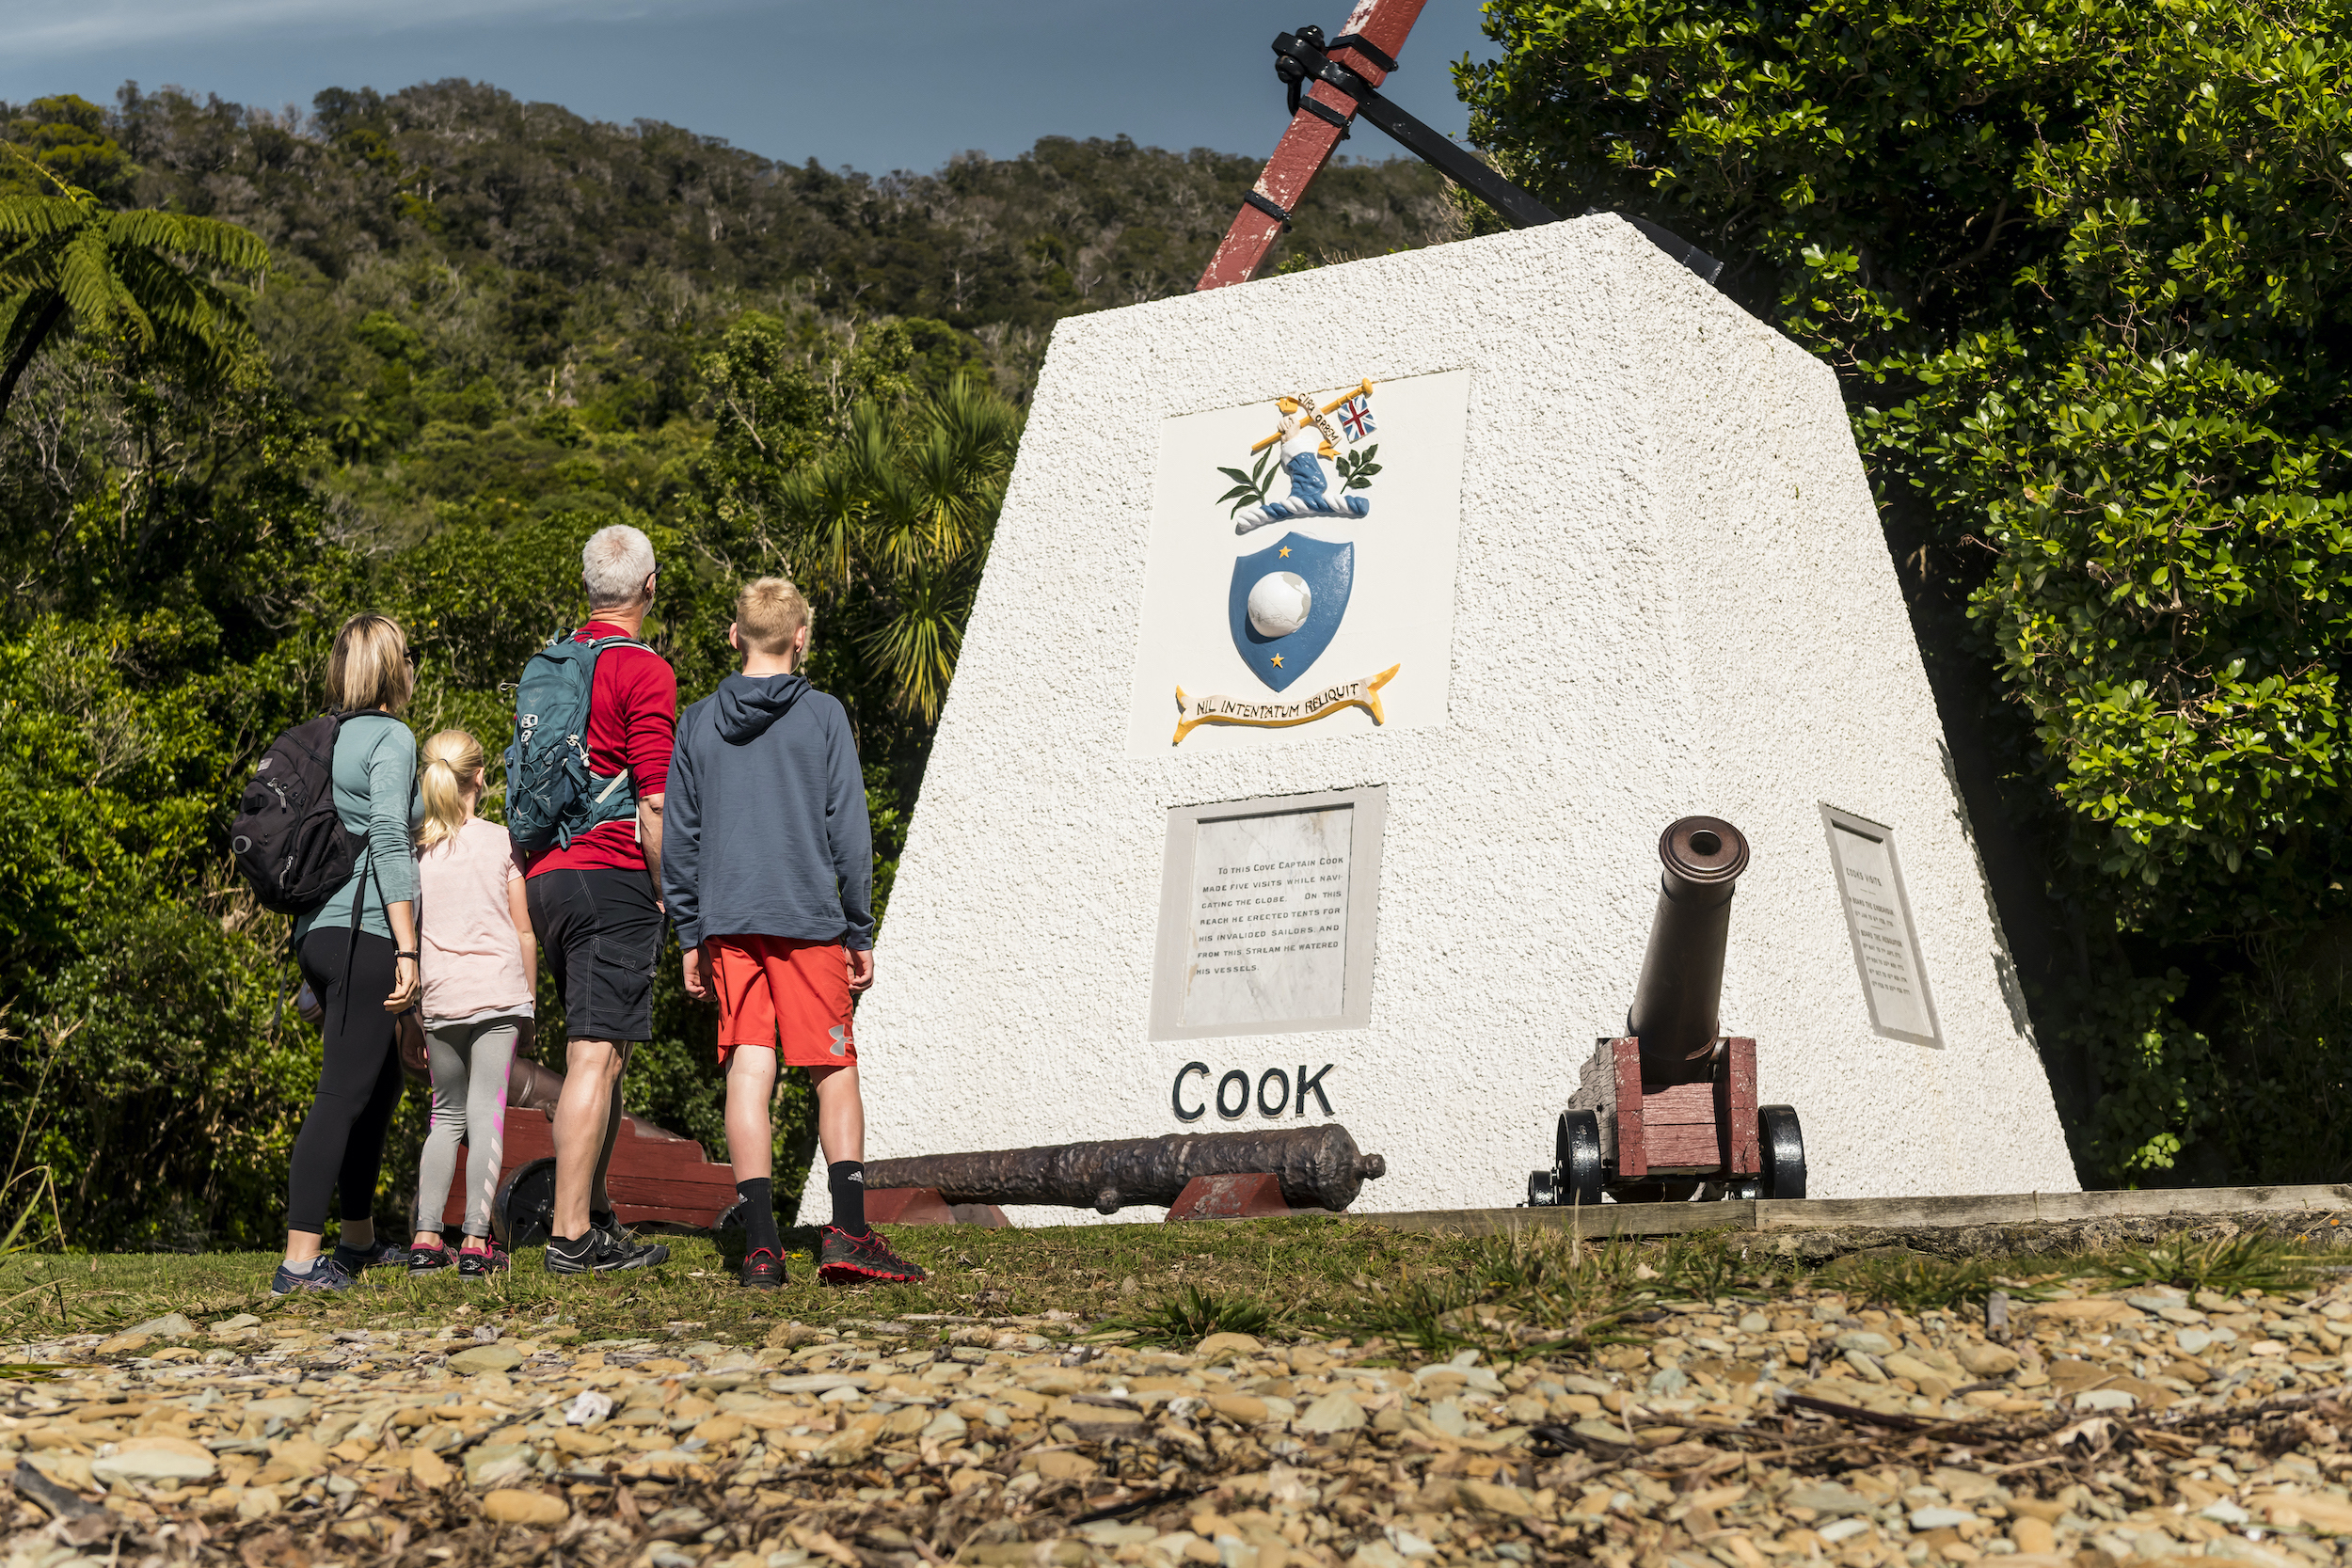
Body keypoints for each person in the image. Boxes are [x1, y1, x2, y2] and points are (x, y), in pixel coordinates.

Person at [664, 576, 925, 1288]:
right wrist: (859, 927)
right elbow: (850, 826)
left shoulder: (696, 723)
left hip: (728, 920)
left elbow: (680, 837)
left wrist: (689, 932)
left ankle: (760, 1246)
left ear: (734, 635)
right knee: (832, 1067)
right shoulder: (823, 716)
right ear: (801, 638)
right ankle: (847, 1233)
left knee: (751, 1066)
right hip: (809, 918)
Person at [528, 525, 675, 1274]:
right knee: (593, 1053)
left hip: (546, 875)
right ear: (649, 588)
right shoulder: (645, 671)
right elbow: (654, 805)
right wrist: (668, 895)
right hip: (611, 872)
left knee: (603, 1053)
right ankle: (570, 1236)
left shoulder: (549, 664)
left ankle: (593, 1215)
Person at [276, 614, 421, 1295]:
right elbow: (390, 838)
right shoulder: (391, 737)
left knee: (378, 1084)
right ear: (395, 668)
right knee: (341, 1091)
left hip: (318, 933)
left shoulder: (323, 739)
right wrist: (410, 946)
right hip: (365, 929)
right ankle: (299, 1263)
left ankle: (357, 1240)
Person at [405, 729, 533, 1278]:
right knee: (486, 1113)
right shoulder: (502, 842)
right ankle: (477, 1241)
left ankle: (425, 1237)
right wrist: (528, 1003)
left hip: (439, 999)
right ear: (480, 777)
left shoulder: (414, 851)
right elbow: (524, 930)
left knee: (444, 1117)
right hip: (497, 995)